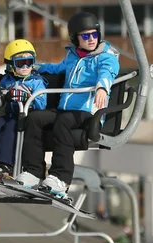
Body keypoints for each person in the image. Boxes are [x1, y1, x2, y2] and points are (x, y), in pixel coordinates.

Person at [17, 11, 119, 202]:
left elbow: (108, 72)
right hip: (66, 110)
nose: (91, 39)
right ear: (75, 38)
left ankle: (61, 178)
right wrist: (33, 66)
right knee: (35, 118)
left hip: (88, 113)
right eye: (85, 36)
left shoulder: (105, 56)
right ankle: (33, 172)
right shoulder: (72, 56)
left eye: (94, 34)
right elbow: (57, 69)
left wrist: (102, 89)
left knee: (63, 121)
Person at [0, 39, 47, 182]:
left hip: (26, 117)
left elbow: (41, 103)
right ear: (11, 65)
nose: (25, 66)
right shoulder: (7, 79)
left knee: (9, 130)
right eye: (20, 63)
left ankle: (5, 165)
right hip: (10, 114)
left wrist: (23, 96)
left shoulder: (37, 81)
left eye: (29, 62)